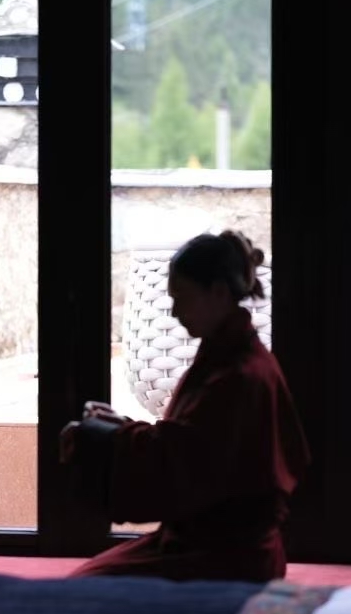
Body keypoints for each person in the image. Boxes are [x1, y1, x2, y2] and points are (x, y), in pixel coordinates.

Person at [61, 230, 310, 583]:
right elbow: (187, 444)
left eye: (183, 298)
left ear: (218, 293)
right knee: (88, 579)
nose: (176, 311)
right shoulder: (228, 357)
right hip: (202, 542)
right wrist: (118, 426)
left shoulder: (243, 374)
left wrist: (100, 438)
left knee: (87, 587)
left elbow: (183, 459)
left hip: (225, 555)